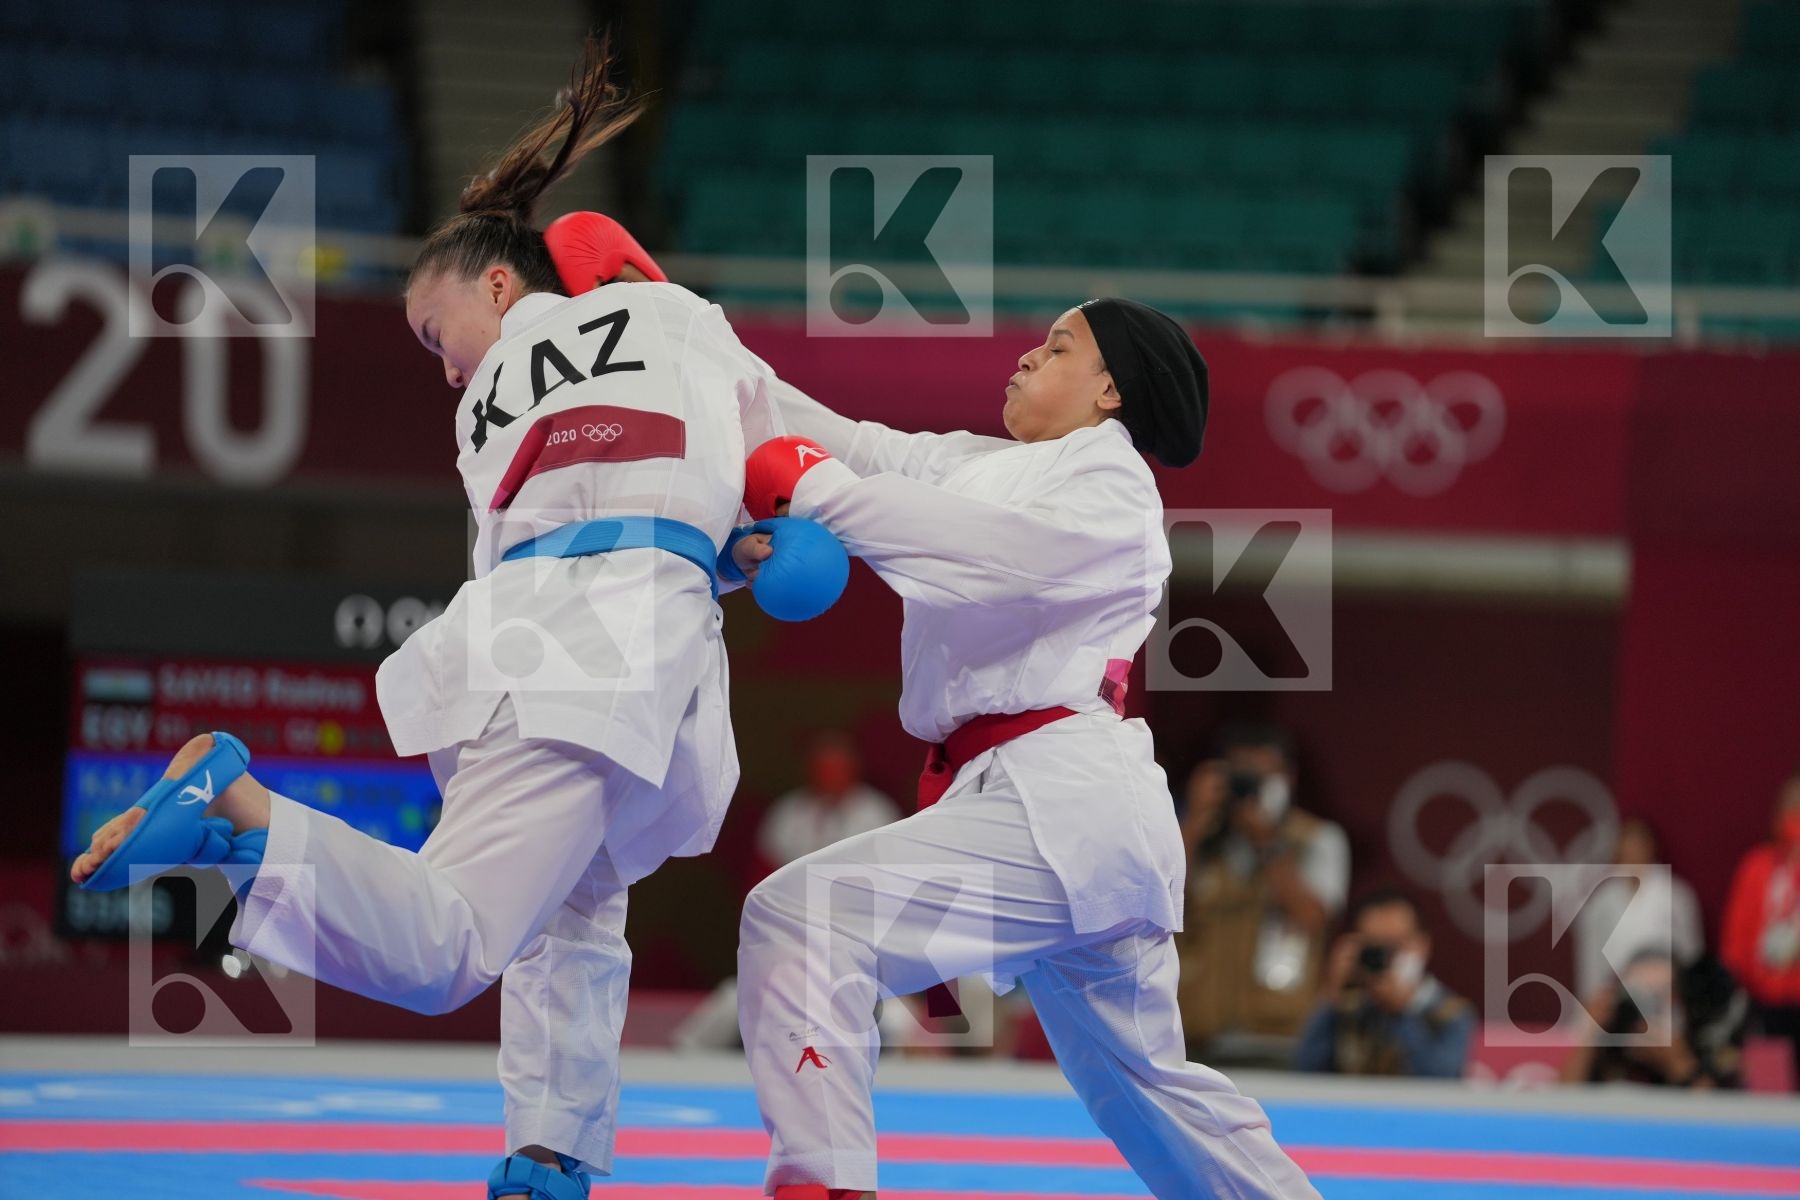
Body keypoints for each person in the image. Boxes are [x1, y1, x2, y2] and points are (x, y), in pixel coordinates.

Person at [68, 39, 823, 1200]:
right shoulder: (677, 327)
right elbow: (764, 466)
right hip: (603, 658)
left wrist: (723, 550)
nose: (441, 368)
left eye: (435, 335)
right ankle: (247, 808)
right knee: (452, 948)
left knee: (579, 909)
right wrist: (801, 523)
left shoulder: (493, 417)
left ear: (502, 289)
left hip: (533, 650)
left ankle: (548, 1152)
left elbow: (613, 513)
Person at [720, 301, 1319, 1195]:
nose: (1025, 359)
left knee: (802, 920)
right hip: (1051, 814)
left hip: (1062, 800)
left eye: (1057, 347)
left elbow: (986, 554)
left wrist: (821, 497)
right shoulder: (983, 464)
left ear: (1109, 389)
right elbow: (839, 436)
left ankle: (822, 1181)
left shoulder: (1112, 487)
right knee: (1150, 1094)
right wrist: (688, 340)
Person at [671, 732, 901, 1053]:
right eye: (823, 768)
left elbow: (890, 896)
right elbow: (760, 892)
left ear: (853, 770)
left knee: (901, 1022)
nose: (830, 776)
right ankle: (681, 1068)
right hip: (794, 945)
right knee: (729, 1001)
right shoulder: (787, 814)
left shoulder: (876, 814)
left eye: (837, 768)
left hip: (858, 952)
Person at [1177, 723, 1350, 1053]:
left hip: (1276, 1038)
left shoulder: (1317, 839)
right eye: (1242, 776)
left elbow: (1312, 918)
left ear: (1289, 777)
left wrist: (1266, 842)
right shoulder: (1202, 840)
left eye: (1263, 776)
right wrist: (1195, 820)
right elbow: (1159, 900)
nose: (1251, 788)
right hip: (1195, 1033)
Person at [1293, 887, 1475, 1079]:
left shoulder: (1449, 1013)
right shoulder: (1347, 1007)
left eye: (1396, 945)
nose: (1386, 958)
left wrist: (1401, 1011)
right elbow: (1305, 1072)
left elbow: (1441, 1081)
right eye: (1375, 946)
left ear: (1422, 945)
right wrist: (1333, 997)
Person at [1721, 768, 1800, 1082]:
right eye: (1791, 804)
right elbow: (1736, 937)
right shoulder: (1757, 865)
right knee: (1768, 1086)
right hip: (1763, 1001)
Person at [1572, 816, 1704, 1003]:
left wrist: (1686, 995)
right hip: (1616, 999)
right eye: (1627, 847)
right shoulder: (1601, 901)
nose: (1632, 853)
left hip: (1666, 998)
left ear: (1651, 847)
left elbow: (1691, 953)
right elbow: (1591, 961)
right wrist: (1594, 999)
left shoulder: (1677, 896)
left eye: (1638, 845)